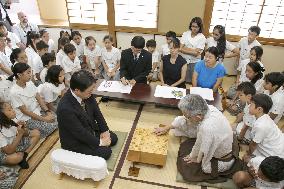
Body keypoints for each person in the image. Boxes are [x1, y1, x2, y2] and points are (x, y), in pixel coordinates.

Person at [155, 94, 241, 183]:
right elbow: (185, 121)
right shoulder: (210, 108)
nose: (186, 117)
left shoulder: (207, 127)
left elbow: (204, 150)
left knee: (201, 168)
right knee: (184, 123)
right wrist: (167, 128)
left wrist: (194, 157)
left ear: (198, 116)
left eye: (187, 116)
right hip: (226, 139)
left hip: (224, 158)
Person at [57, 70, 118, 160]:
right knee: (106, 152)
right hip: (76, 140)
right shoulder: (65, 108)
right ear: (77, 90)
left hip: (89, 128)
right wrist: (100, 142)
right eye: (90, 90)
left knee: (113, 138)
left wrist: (105, 131)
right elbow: (80, 132)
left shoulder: (86, 94)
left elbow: (97, 113)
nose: (92, 92)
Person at [8, 63, 57, 138]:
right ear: (19, 75)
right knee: (51, 126)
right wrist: (44, 119)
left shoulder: (30, 83)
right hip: (27, 119)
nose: (30, 75)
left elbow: (39, 98)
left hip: (38, 112)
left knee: (58, 118)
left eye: (30, 72)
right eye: (28, 72)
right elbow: (26, 111)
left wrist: (48, 112)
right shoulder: (14, 92)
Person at [243, 94, 284, 163]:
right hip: (278, 145)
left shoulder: (261, 125)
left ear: (259, 109)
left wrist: (248, 155)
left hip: (277, 155)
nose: (249, 106)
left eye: (251, 105)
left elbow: (253, 145)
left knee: (247, 160)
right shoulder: (265, 117)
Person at [0, 101, 40, 169]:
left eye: (12, 108)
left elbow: (26, 134)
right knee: (16, 158)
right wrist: (20, 134)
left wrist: (23, 128)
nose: (13, 111)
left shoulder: (11, 121)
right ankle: (20, 157)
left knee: (36, 133)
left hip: (14, 144)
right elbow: (9, 151)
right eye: (9, 110)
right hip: (5, 151)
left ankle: (24, 155)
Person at [180, 17, 206, 83]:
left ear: (200, 27)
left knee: (193, 81)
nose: (194, 28)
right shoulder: (185, 34)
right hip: (183, 60)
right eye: (193, 26)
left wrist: (184, 49)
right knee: (182, 80)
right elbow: (180, 48)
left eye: (196, 27)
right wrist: (193, 50)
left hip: (195, 62)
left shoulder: (202, 37)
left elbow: (196, 54)